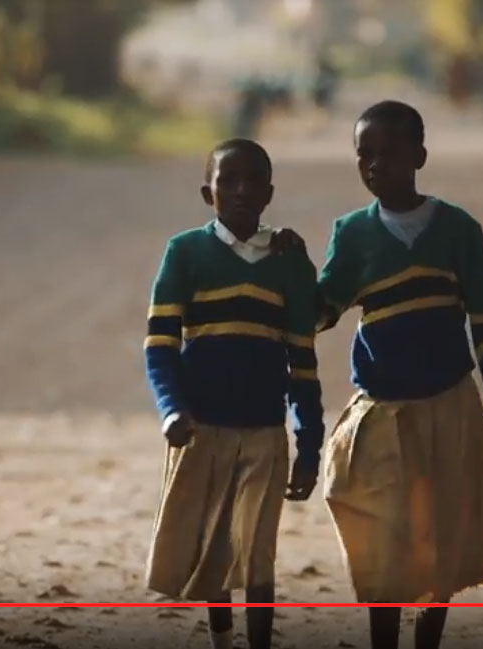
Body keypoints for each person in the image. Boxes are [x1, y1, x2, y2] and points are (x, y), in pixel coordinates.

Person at [273, 100, 483, 649]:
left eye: (388, 153)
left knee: (442, 537)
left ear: (419, 155)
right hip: (383, 410)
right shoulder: (354, 235)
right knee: (384, 539)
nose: (374, 165)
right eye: (364, 154)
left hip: (450, 405)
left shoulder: (459, 230)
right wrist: (295, 269)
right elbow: (322, 312)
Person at [143, 138, 325, 649]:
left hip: (265, 431)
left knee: (257, 547)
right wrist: (170, 409)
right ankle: (223, 637)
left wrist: (308, 443)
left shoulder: (289, 262)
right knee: (212, 545)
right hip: (200, 427)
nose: (241, 190)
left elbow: (303, 361)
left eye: (253, 181)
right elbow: (160, 345)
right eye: (229, 181)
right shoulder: (185, 253)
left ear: (269, 192)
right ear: (209, 193)